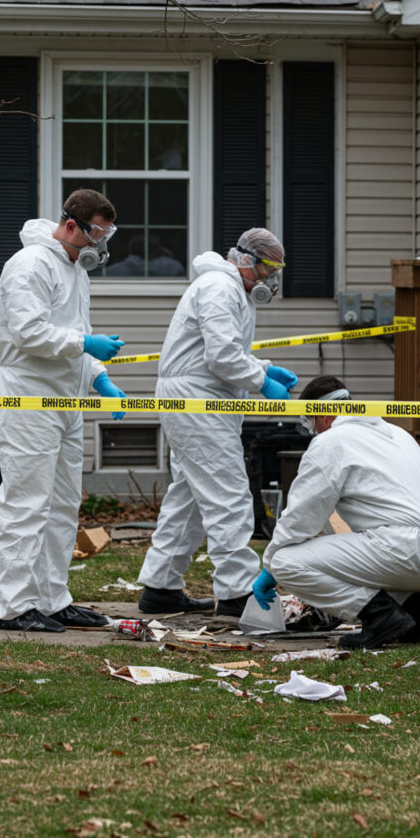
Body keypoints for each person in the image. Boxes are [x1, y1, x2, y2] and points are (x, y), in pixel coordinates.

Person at [0, 188, 127, 632]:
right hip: (25, 396)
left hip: (65, 399)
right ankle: (14, 606)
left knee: (63, 502)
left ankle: (52, 598)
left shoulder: (75, 270)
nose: (99, 246)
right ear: (71, 225)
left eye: (106, 236)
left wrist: (98, 376)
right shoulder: (29, 265)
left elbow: (75, 335)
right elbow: (29, 333)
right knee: (26, 503)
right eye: (96, 235)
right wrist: (86, 344)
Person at [138, 228, 297, 618]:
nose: (269, 280)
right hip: (198, 403)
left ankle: (160, 587)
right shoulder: (220, 288)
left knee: (189, 499)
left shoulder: (230, 290)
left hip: (201, 399)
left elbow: (219, 353)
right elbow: (222, 356)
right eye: (266, 269)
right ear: (245, 260)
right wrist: (262, 382)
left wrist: (265, 368)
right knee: (228, 495)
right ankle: (237, 593)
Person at [252, 376, 420, 650]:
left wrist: (270, 566)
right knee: (377, 544)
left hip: (411, 552)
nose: (313, 430)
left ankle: (381, 617)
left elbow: (300, 518)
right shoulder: (394, 432)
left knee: (285, 562)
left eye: (311, 421)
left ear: (325, 414)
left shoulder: (332, 443)